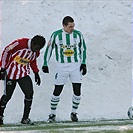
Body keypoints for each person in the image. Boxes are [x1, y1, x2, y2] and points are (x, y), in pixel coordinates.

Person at [42, 16, 87, 122]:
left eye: (73, 26)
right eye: (70, 26)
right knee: (57, 90)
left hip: (75, 66)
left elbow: (83, 49)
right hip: (62, 67)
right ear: (64, 26)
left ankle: (74, 113)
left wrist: (83, 63)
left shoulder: (78, 34)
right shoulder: (56, 35)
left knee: (77, 90)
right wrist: (45, 63)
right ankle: (52, 114)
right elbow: (49, 49)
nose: (72, 28)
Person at [0, 35, 46, 125]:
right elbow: (6, 51)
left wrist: (36, 73)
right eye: (36, 48)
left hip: (23, 73)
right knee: (7, 95)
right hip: (10, 73)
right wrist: (2, 68)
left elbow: (32, 61)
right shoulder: (19, 43)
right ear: (32, 43)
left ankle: (25, 118)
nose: (36, 50)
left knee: (29, 93)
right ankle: (0, 116)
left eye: (39, 49)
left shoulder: (36, 52)